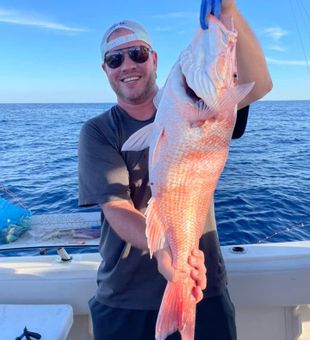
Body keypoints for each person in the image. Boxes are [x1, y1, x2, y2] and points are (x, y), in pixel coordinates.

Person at [78, 1, 272, 339]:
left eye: (137, 54)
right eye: (115, 59)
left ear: (153, 59)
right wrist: (166, 251)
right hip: (125, 298)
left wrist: (229, 10)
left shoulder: (205, 106)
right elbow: (116, 208)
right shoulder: (99, 132)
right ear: (105, 70)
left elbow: (261, 83)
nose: (127, 65)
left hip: (201, 285)